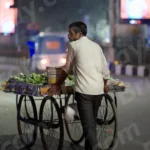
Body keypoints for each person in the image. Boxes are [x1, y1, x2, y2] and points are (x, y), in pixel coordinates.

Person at [49, 21, 110, 150]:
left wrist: (57, 84)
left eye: (71, 33)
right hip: (98, 91)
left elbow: (66, 69)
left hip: (84, 92)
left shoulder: (73, 46)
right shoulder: (96, 46)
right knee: (91, 124)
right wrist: (105, 84)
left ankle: (95, 148)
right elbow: (105, 69)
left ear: (79, 34)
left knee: (88, 126)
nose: (68, 35)